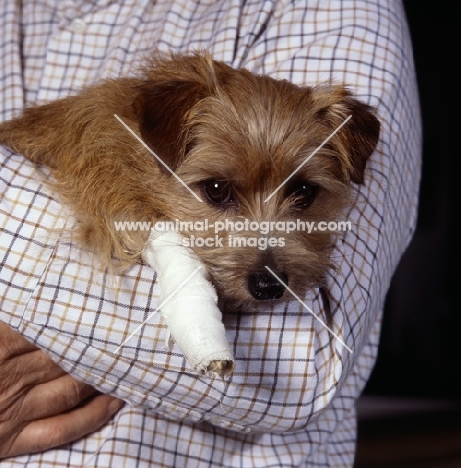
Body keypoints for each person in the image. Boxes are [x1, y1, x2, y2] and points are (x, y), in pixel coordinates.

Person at [0, 1, 421, 466]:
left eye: (301, 194)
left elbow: (305, 359)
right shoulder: (134, 136)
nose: (268, 261)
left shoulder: (335, 12)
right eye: (219, 192)